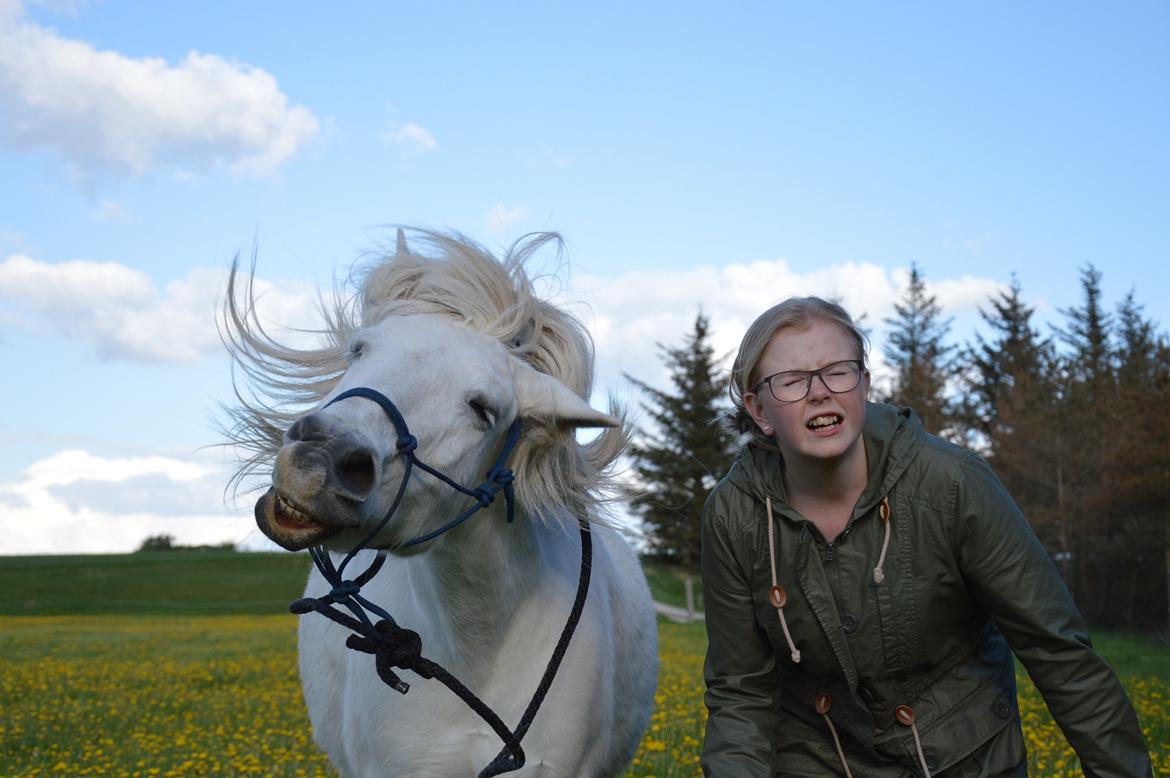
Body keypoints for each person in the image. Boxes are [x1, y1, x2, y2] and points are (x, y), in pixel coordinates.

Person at [700, 296, 1153, 777]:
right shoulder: (733, 516)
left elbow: (1058, 652)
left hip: (965, 753)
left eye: (838, 371)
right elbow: (740, 692)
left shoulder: (954, 484)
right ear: (758, 409)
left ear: (865, 385)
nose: (819, 392)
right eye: (792, 381)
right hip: (815, 755)